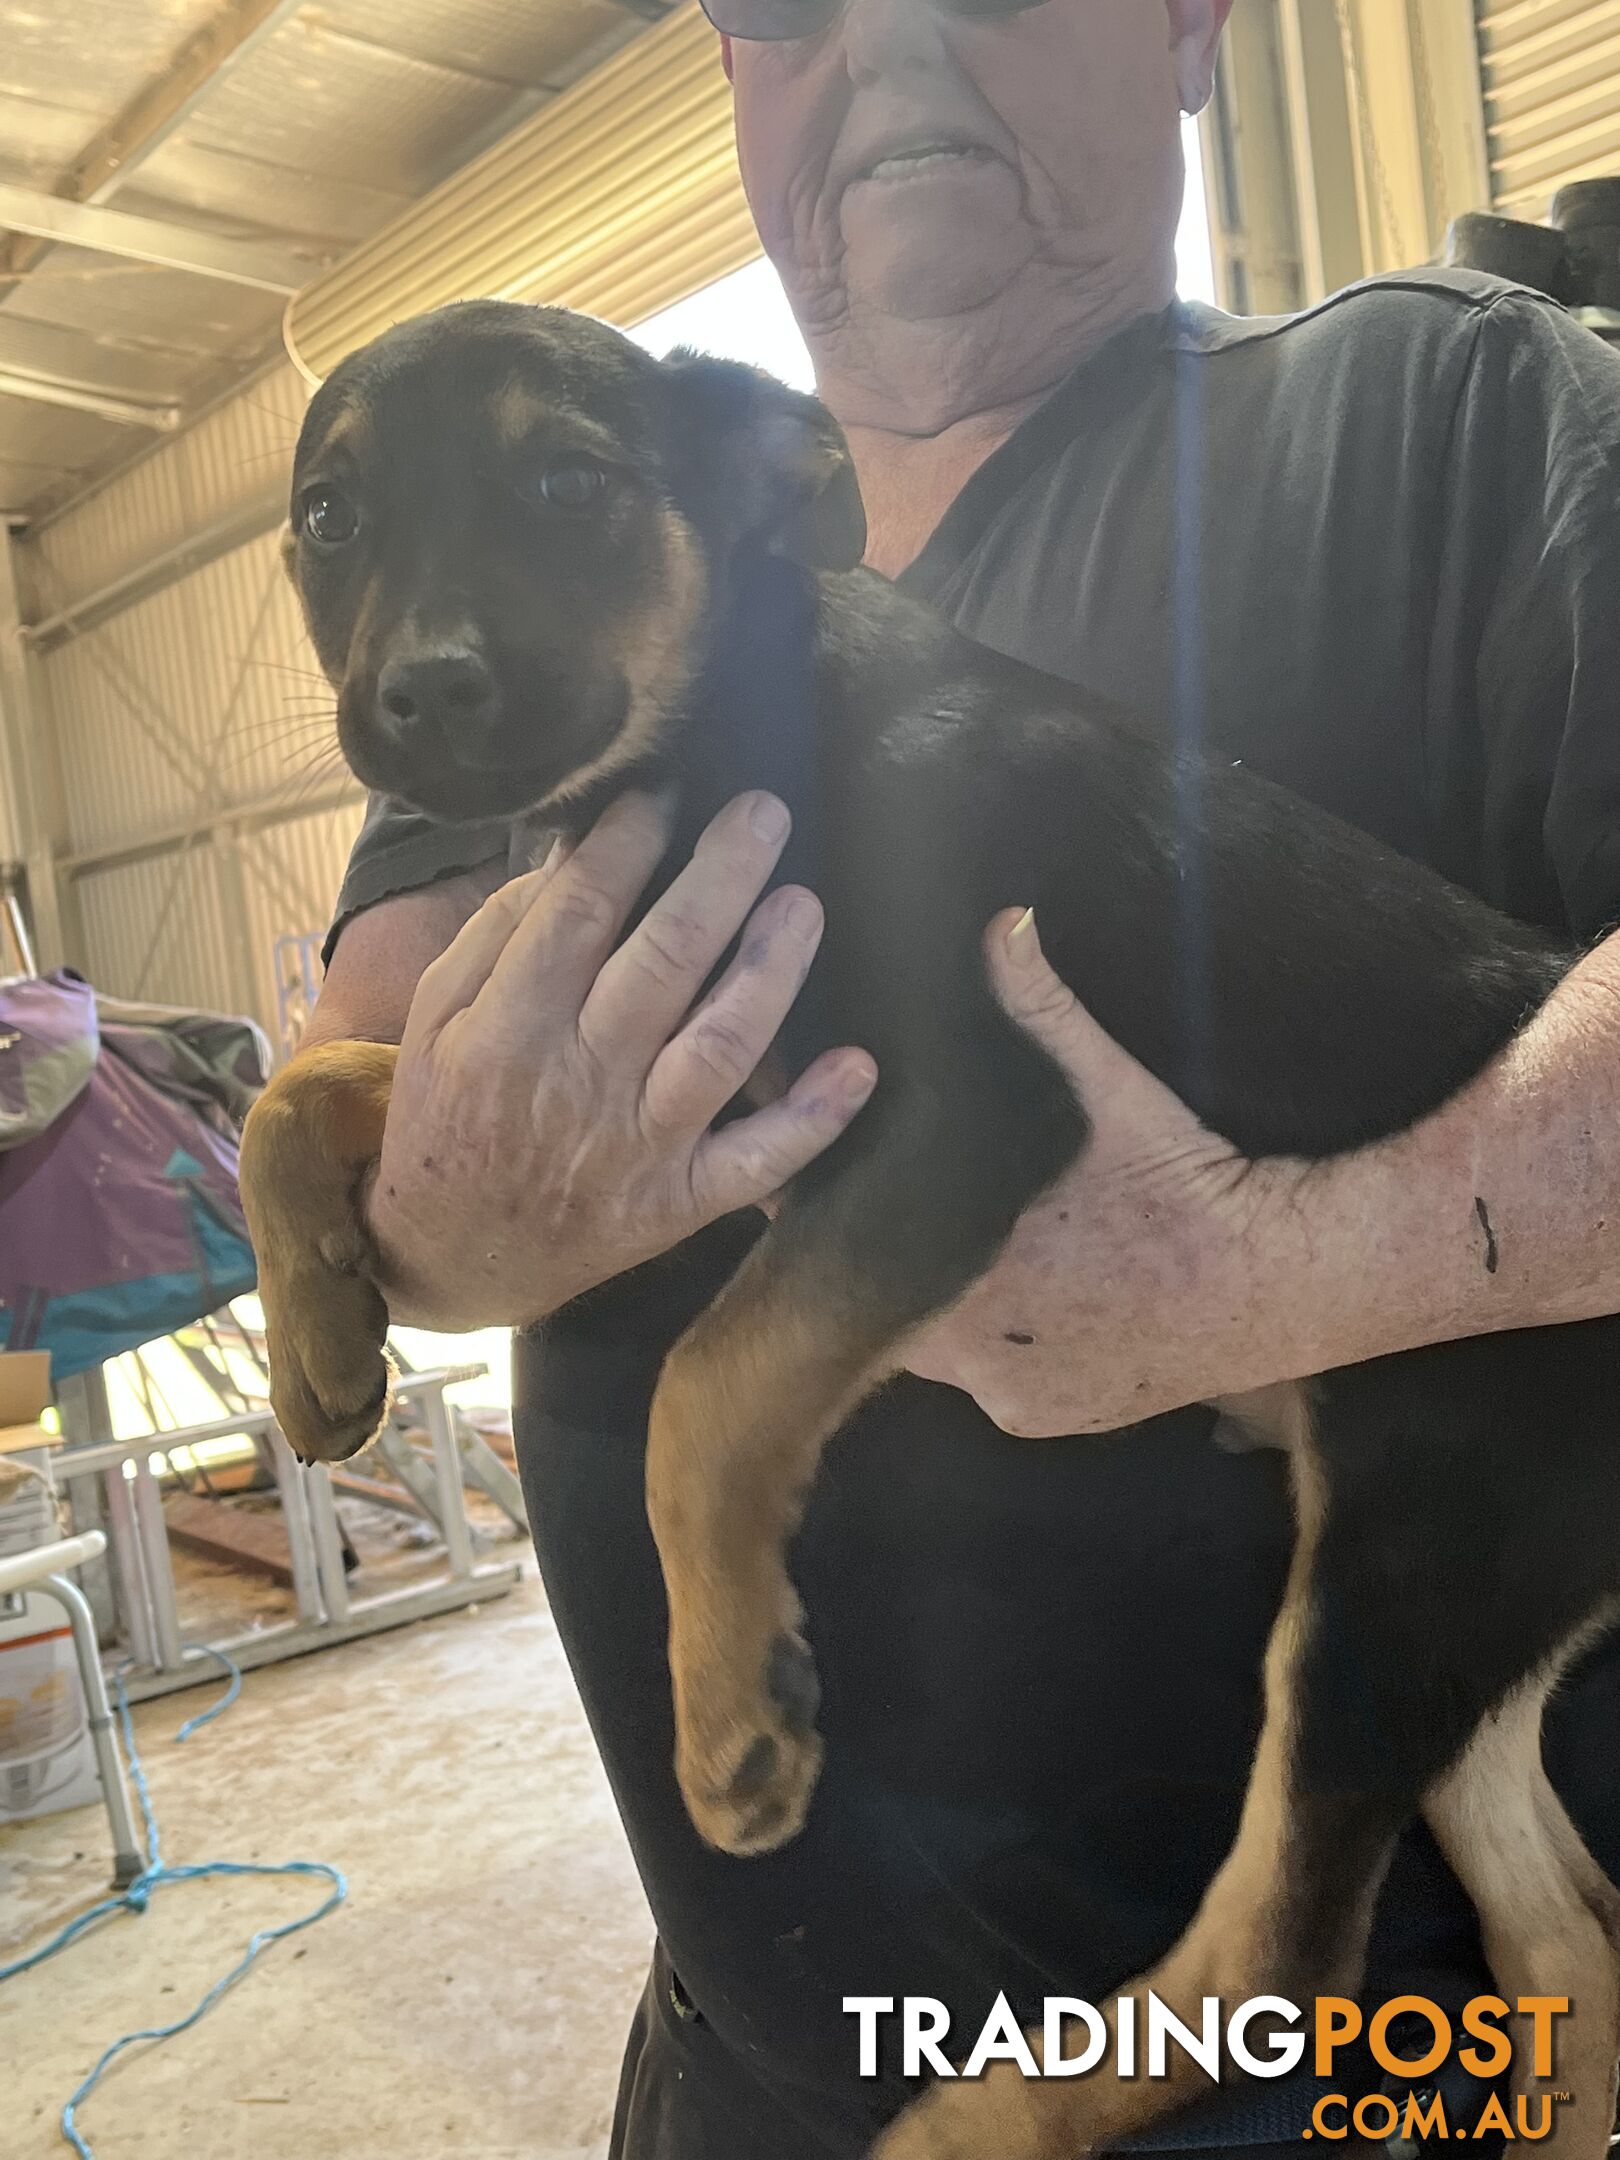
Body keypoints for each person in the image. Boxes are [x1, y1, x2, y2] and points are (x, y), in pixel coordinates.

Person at [305, 1, 1620, 2153]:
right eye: (791, 9)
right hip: (747, 2056)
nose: (891, 45)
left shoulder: (1456, 417)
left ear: (1195, 32)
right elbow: (378, 1152)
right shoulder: (564, 613)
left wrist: (1294, 1266)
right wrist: (442, 1216)